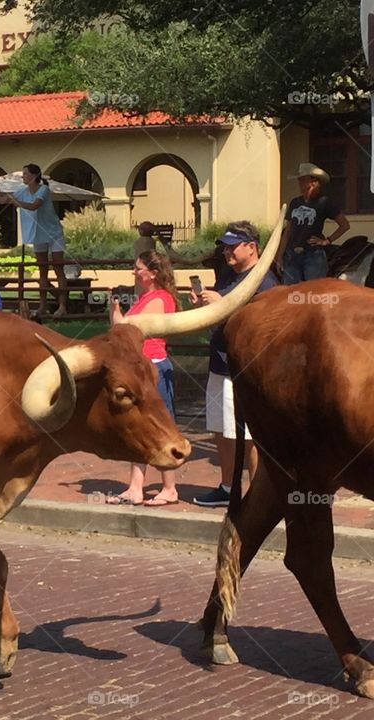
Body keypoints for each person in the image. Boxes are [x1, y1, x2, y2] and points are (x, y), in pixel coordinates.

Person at [192, 222, 278, 507]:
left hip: (244, 369)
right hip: (220, 363)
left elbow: (264, 323)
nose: (227, 251)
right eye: (225, 245)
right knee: (220, 429)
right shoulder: (228, 274)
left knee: (250, 436)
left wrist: (223, 300)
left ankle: (256, 496)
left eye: (233, 245)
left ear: (251, 247)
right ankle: (228, 487)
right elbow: (222, 312)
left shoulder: (265, 280)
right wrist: (205, 305)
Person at [107, 250, 179, 506]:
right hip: (140, 368)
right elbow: (122, 330)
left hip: (155, 367)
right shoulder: (144, 297)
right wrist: (116, 310)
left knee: (160, 424)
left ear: (153, 273)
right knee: (139, 426)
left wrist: (118, 315)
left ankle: (169, 488)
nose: (134, 272)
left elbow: (128, 328)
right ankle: (135, 487)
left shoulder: (160, 299)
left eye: (138, 268)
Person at [0, 164, 67, 318]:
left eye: (25, 174)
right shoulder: (22, 191)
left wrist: (17, 203)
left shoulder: (43, 190)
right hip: (38, 235)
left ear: (33, 176)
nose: (23, 177)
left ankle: (63, 306)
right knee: (43, 272)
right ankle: (42, 306)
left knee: (58, 268)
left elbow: (34, 206)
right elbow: (1, 199)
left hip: (54, 234)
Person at [279, 162, 350, 284]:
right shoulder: (295, 203)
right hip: (292, 254)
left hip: (313, 255)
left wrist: (327, 240)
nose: (299, 182)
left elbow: (344, 225)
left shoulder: (324, 202)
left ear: (313, 181)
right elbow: (288, 231)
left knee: (315, 291)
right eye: (299, 179)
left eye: (302, 179)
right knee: (289, 293)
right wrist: (279, 256)